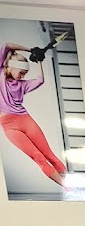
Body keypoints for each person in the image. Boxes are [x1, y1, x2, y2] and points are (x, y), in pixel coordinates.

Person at [0, 43, 68, 188]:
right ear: (10, 67)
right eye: (21, 72)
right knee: (38, 157)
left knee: (49, 155)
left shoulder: (22, 85)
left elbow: (40, 80)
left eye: (25, 73)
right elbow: (6, 45)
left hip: (25, 120)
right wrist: (29, 49)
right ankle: (67, 187)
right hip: (9, 126)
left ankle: (71, 183)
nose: (23, 75)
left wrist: (39, 61)